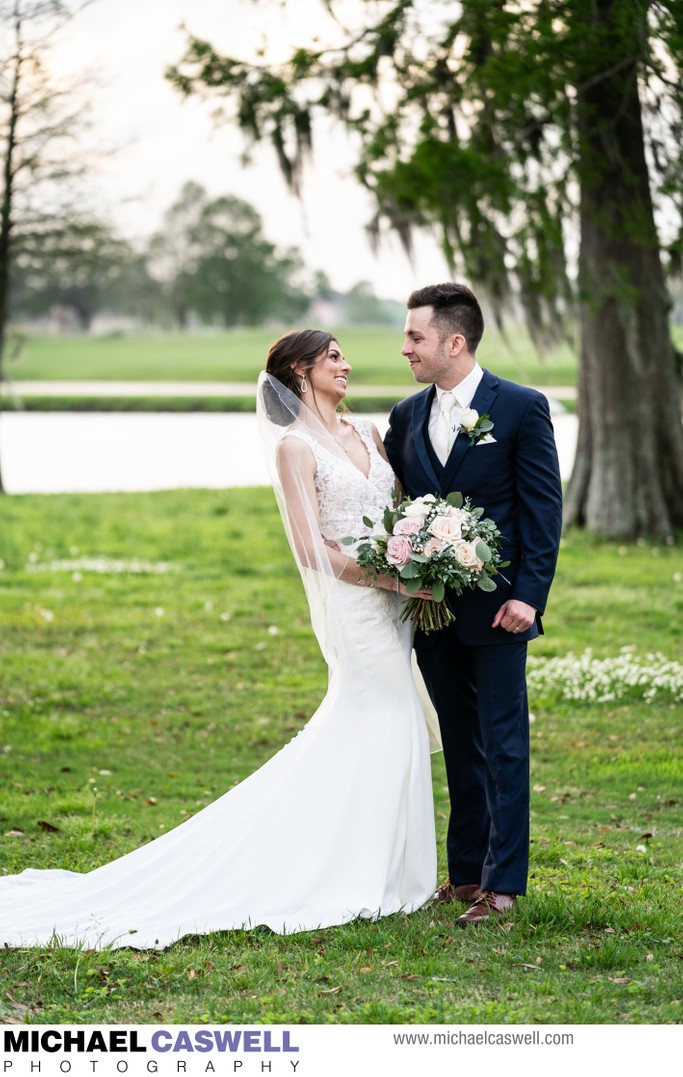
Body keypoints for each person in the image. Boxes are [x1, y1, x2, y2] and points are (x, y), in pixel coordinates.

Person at [0, 329, 437, 950]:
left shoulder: (368, 433)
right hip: (357, 605)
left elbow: (396, 512)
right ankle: (351, 870)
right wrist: (390, 575)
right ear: (298, 371)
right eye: (332, 357)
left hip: (396, 605)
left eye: (342, 355)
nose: (346, 365)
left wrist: (421, 552)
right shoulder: (295, 447)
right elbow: (312, 548)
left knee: (392, 722)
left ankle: (392, 867)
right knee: (384, 713)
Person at [384, 282, 563, 925]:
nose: (406, 348)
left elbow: (543, 511)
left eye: (415, 337)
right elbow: (401, 507)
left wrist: (530, 598)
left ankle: (504, 883)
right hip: (432, 615)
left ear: (454, 342)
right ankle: (464, 877)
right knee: (460, 741)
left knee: (504, 741)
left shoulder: (518, 407)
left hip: (498, 610)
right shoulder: (405, 416)